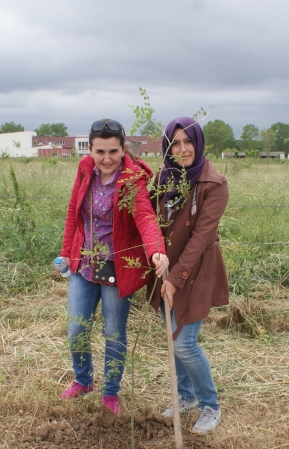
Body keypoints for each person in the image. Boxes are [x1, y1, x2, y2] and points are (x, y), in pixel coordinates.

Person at [59, 118, 169, 415]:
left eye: (113, 151)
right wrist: (66, 253)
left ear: (123, 149)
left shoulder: (133, 178)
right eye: (100, 152)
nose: (106, 159)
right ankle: (83, 381)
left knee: (114, 333)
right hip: (84, 262)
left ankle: (110, 392)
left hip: (117, 266)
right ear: (91, 150)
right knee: (76, 327)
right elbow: (74, 212)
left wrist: (156, 251)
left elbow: (145, 216)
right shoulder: (84, 171)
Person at [149, 116, 229, 435]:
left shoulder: (214, 184)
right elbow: (152, 221)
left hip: (195, 271)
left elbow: (200, 238)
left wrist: (175, 278)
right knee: (172, 335)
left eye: (188, 141)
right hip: (165, 267)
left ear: (198, 142)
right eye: (175, 144)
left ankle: (210, 405)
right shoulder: (163, 180)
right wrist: (156, 256)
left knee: (184, 343)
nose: (183, 150)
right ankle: (185, 396)